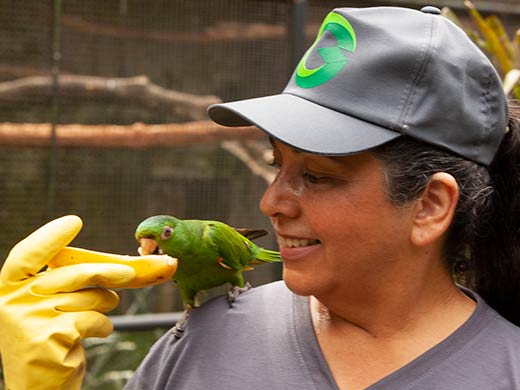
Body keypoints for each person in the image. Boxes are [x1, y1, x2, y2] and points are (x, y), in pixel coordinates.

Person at [1, 4, 519, 389]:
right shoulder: (201, 343)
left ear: (429, 206)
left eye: (316, 175)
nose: (271, 202)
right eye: (278, 165)